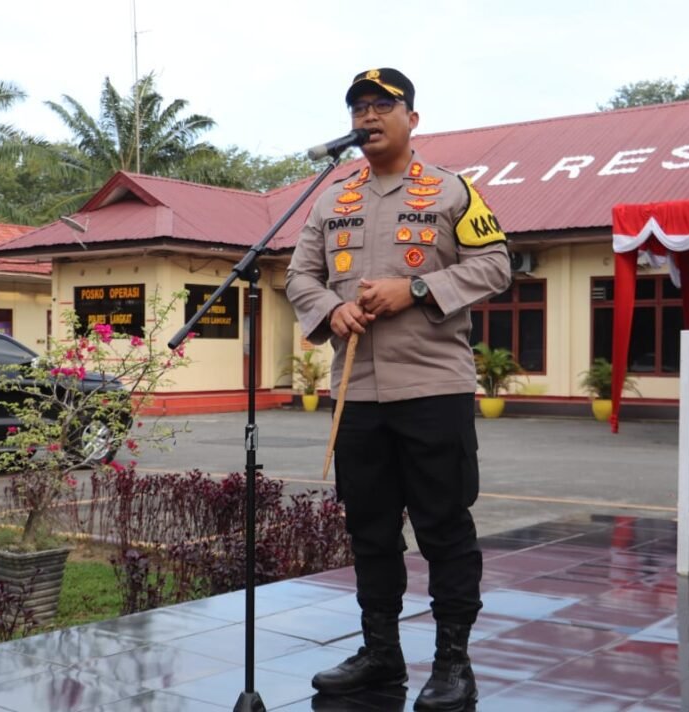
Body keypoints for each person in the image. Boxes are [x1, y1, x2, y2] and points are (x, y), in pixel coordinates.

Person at [286, 68, 511, 712]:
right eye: (359, 107)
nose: (368, 116)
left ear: (412, 118)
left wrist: (414, 288)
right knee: (370, 530)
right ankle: (380, 654)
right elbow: (299, 276)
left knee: (444, 527)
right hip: (357, 394)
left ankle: (453, 663)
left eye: (383, 105)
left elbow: (496, 263)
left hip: (433, 388)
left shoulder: (451, 191)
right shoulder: (331, 200)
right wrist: (331, 309)